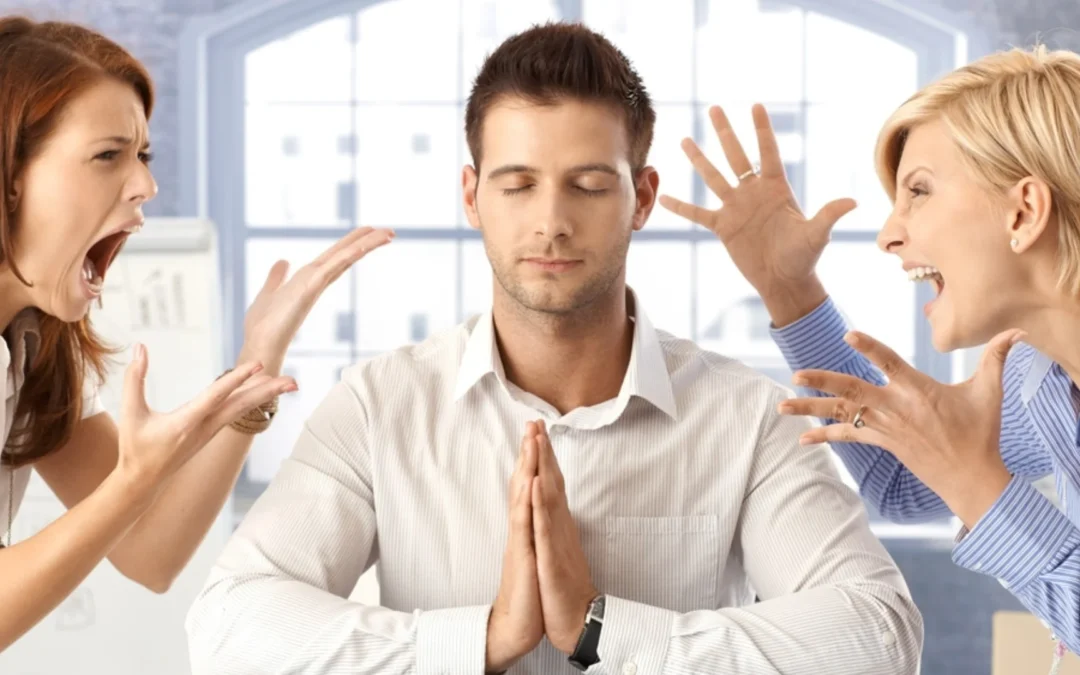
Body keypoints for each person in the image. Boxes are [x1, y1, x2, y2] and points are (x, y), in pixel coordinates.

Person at [186, 22, 922, 675]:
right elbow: (225, 629)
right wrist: (476, 642)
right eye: (518, 184)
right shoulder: (379, 406)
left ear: (642, 195)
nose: (551, 221)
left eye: (589, 185)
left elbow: (881, 637)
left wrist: (607, 630)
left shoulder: (748, 417)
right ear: (471, 197)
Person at [660, 44, 1080, 656]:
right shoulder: (1040, 381)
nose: (889, 234)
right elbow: (901, 482)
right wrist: (790, 291)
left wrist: (982, 488)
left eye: (919, 191)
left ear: (1024, 211)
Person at [0, 17, 392, 651]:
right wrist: (133, 480)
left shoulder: (27, 349)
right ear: (11, 174)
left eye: (143, 156)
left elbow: (151, 551)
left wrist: (256, 364)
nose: (147, 186)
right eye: (107, 156)